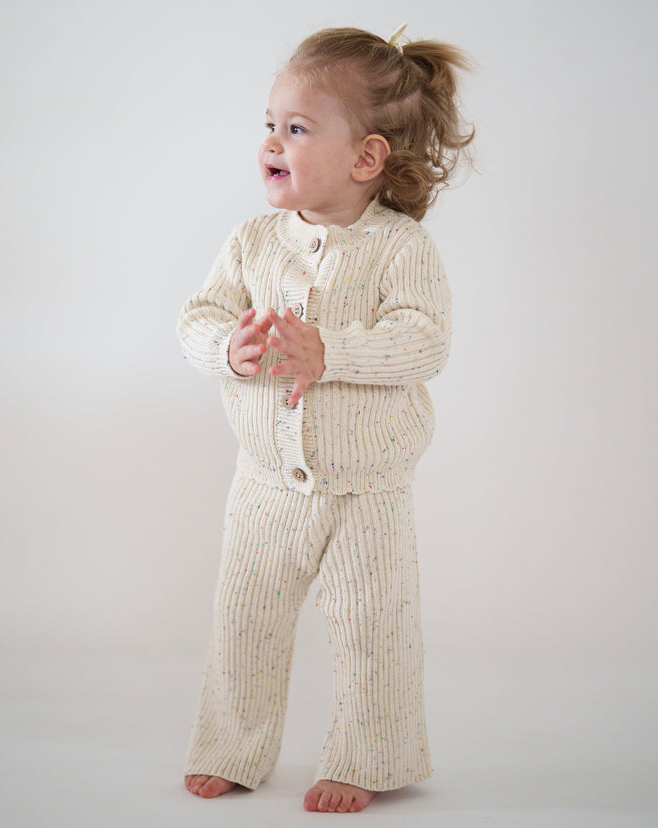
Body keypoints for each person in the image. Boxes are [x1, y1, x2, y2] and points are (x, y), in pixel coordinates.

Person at [177, 24, 473, 814]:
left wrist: (329, 351)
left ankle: (370, 757)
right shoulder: (252, 242)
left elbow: (425, 341)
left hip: (366, 491)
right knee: (243, 623)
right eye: (270, 124)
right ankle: (231, 745)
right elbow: (198, 316)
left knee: (375, 630)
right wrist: (228, 350)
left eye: (298, 128)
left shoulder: (400, 249)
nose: (272, 142)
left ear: (366, 158)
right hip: (265, 485)